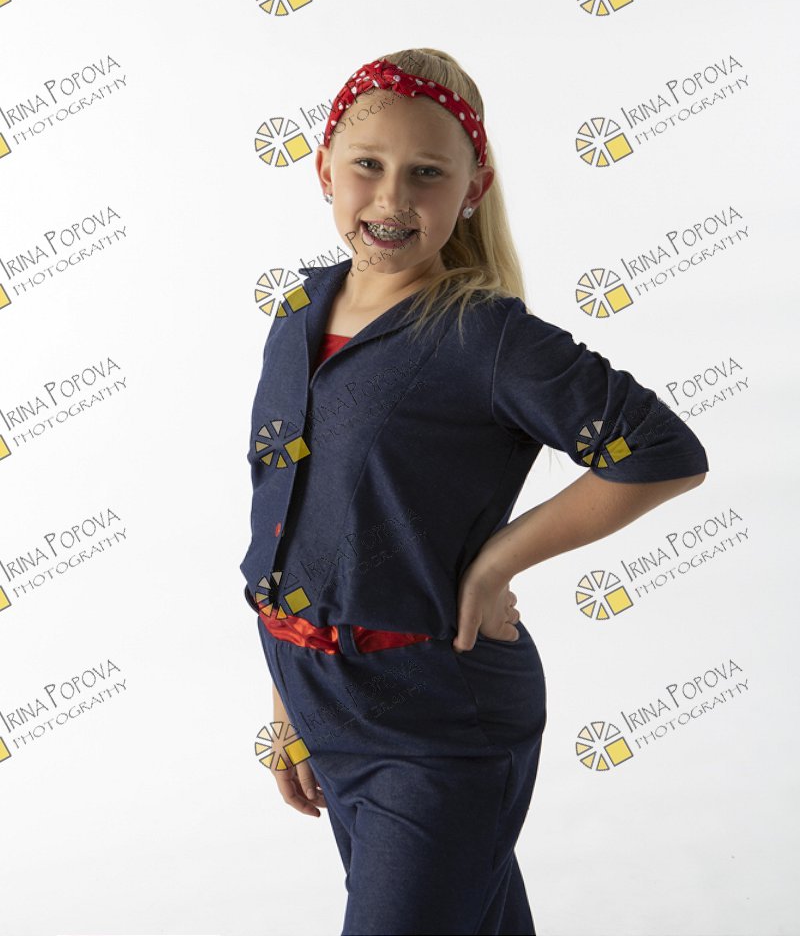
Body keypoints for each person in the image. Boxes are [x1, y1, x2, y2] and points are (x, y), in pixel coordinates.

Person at [240, 48, 709, 935]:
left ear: (473, 187)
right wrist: (287, 701)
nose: (391, 198)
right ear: (325, 169)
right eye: (368, 165)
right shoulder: (298, 313)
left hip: (440, 720)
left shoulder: (484, 336)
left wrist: (497, 562)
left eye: (427, 173)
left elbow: (662, 449)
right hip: (322, 699)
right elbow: (289, 520)